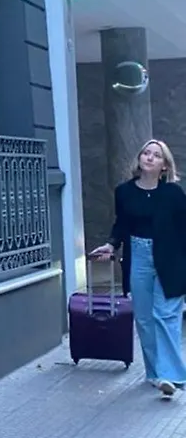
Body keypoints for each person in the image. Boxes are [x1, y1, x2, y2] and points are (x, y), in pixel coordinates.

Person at [91, 139, 186, 399]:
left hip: (170, 258)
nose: (150, 157)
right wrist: (111, 245)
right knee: (144, 319)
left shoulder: (174, 194)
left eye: (157, 155)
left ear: (165, 165)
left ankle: (171, 375)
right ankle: (156, 374)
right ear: (140, 158)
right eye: (146, 153)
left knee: (166, 316)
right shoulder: (124, 192)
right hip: (138, 256)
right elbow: (121, 224)